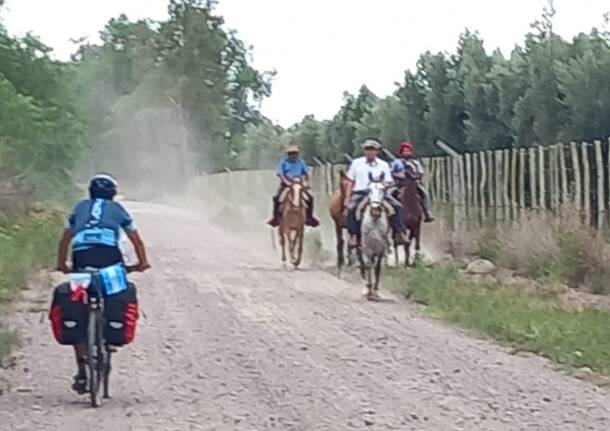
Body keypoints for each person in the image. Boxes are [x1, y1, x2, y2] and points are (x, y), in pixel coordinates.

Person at [56, 173, 151, 394]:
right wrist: (142, 263)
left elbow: (65, 239)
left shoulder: (79, 207)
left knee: (77, 302)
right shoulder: (118, 210)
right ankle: (109, 335)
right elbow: (136, 239)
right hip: (110, 259)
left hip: (81, 260)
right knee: (115, 293)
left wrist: (62, 264)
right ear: (113, 195)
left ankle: (82, 368)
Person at [343, 139, 408, 247]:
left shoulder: (383, 165)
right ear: (364, 151)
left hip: (379, 192)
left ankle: (399, 233)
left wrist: (383, 185)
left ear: (377, 151)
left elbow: (389, 180)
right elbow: (350, 181)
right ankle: (354, 235)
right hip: (361, 192)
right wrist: (347, 197)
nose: (370, 152)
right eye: (367, 149)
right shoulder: (356, 163)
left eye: (372, 150)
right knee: (352, 209)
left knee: (397, 206)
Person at [267, 144, 320, 227]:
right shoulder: (283, 162)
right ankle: (275, 218)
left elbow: (306, 173)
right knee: (276, 198)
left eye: (295, 153)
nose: (293, 155)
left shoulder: (300, 162)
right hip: (286, 184)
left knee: (310, 198)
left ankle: (309, 217)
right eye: (291, 153)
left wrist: (305, 182)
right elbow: (280, 174)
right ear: (288, 154)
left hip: (299, 184)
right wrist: (286, 182)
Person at [391, 141, 435, 223]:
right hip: (399, 185)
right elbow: (391, 172)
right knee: (390, 194)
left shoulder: (415, 163)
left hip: (413, 184)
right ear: (401, 152)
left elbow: (421, 172)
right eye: (404, 151)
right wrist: (400, 175)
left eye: (408, 151)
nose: (407, 153)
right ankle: (390, 213)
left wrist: (415, 176)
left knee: (425, 194)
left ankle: (427, 213)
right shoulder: (396, 162)